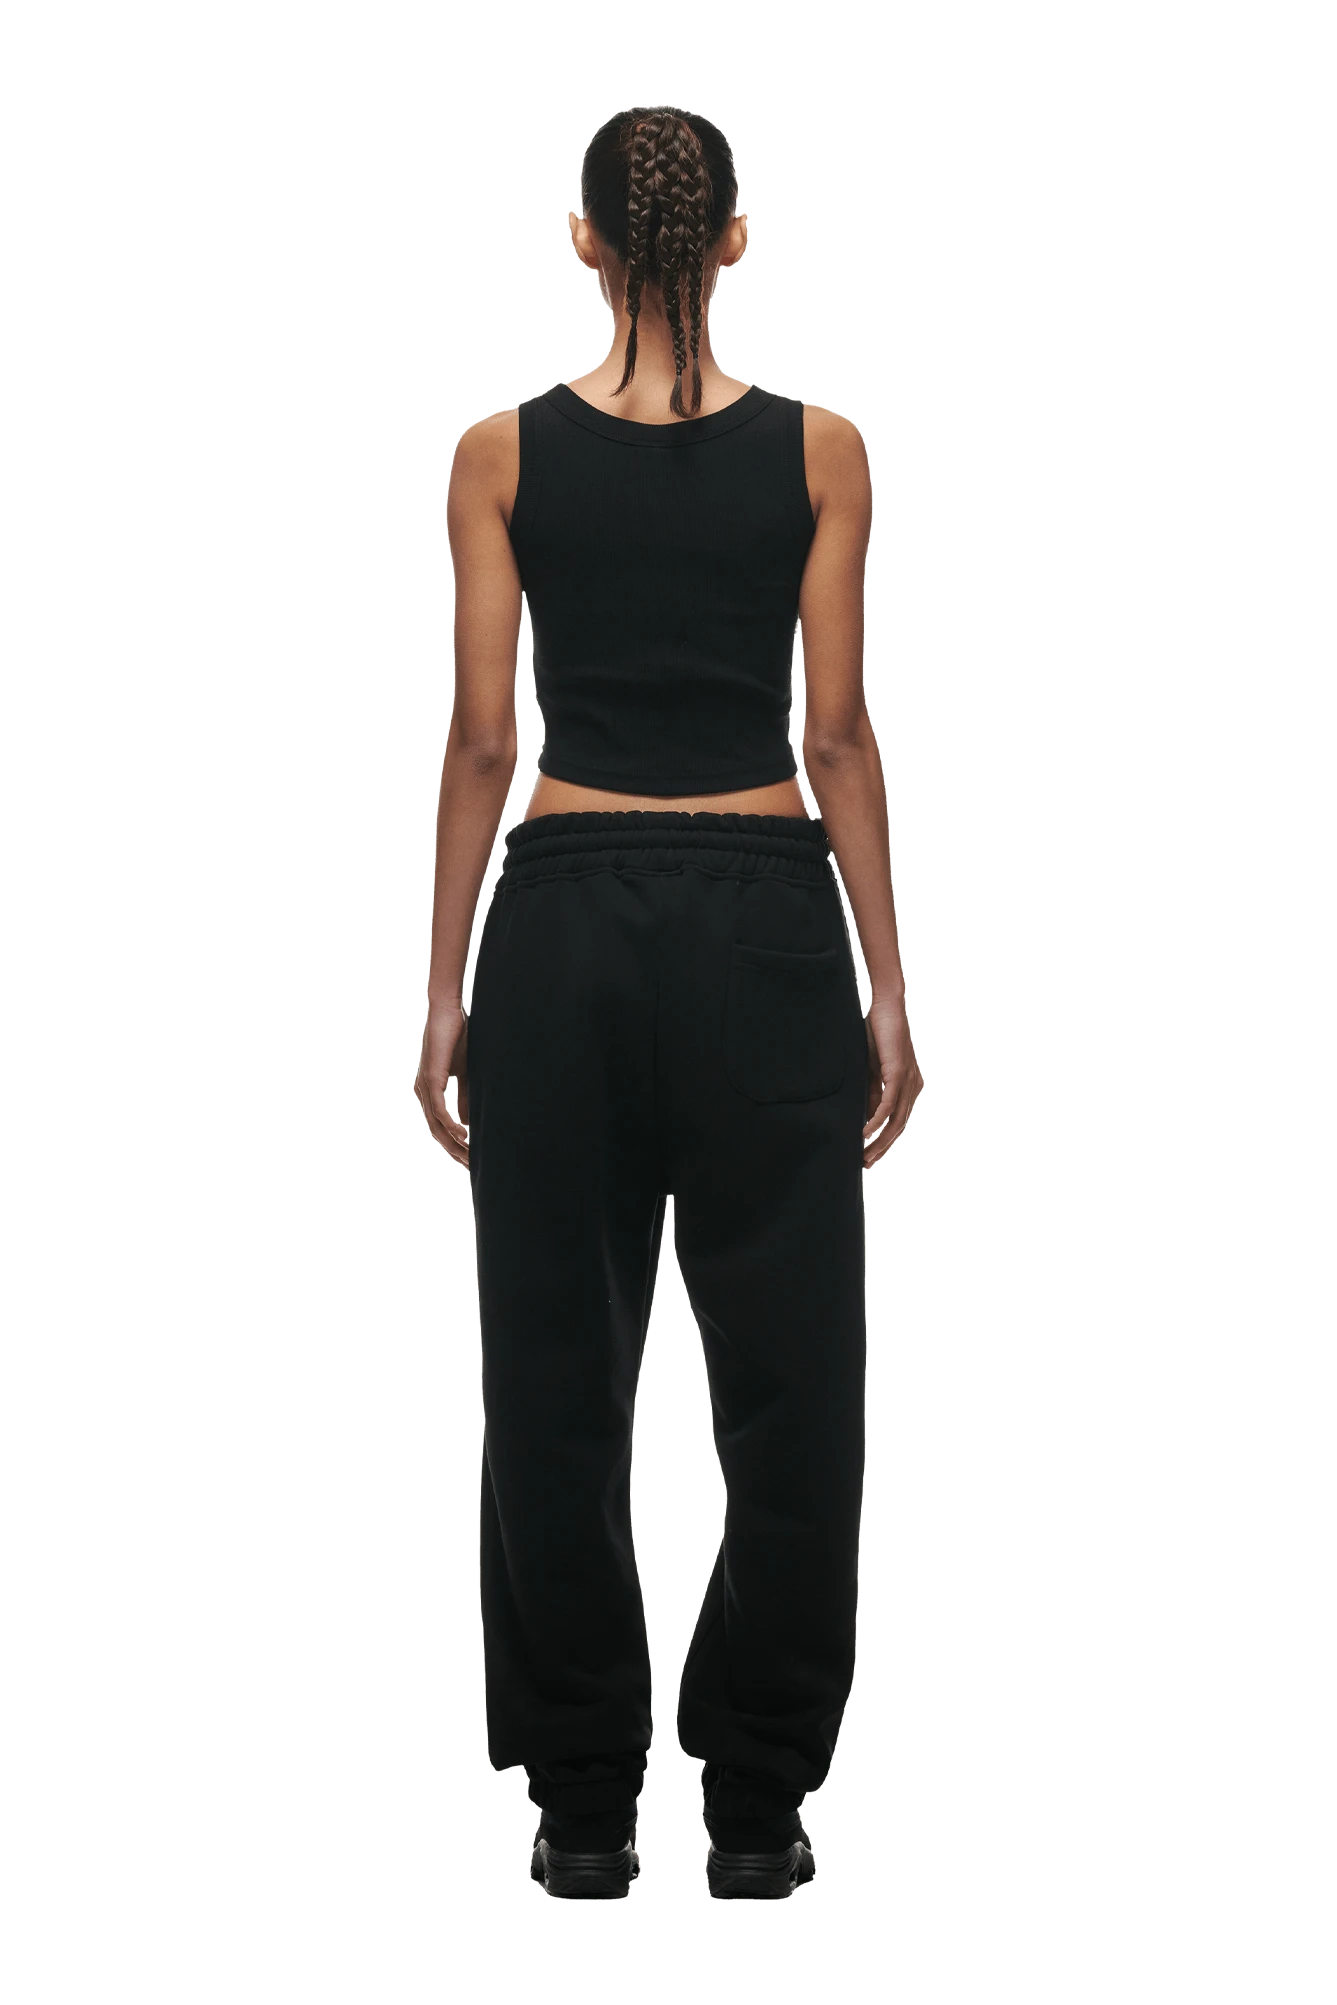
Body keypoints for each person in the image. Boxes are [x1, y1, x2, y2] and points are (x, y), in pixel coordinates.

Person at [418, 104, 923, 1903]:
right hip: (765, 923)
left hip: (560, 916)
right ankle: (763, 1810)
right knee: (794, 1390)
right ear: (736, 239)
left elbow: (483, 741)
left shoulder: (495, 453)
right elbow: (836, 734)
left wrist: (444, 988)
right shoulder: (825, 449)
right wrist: (885, 987)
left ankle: (578, 1817)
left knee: (552, 1384)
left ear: (580, 241)